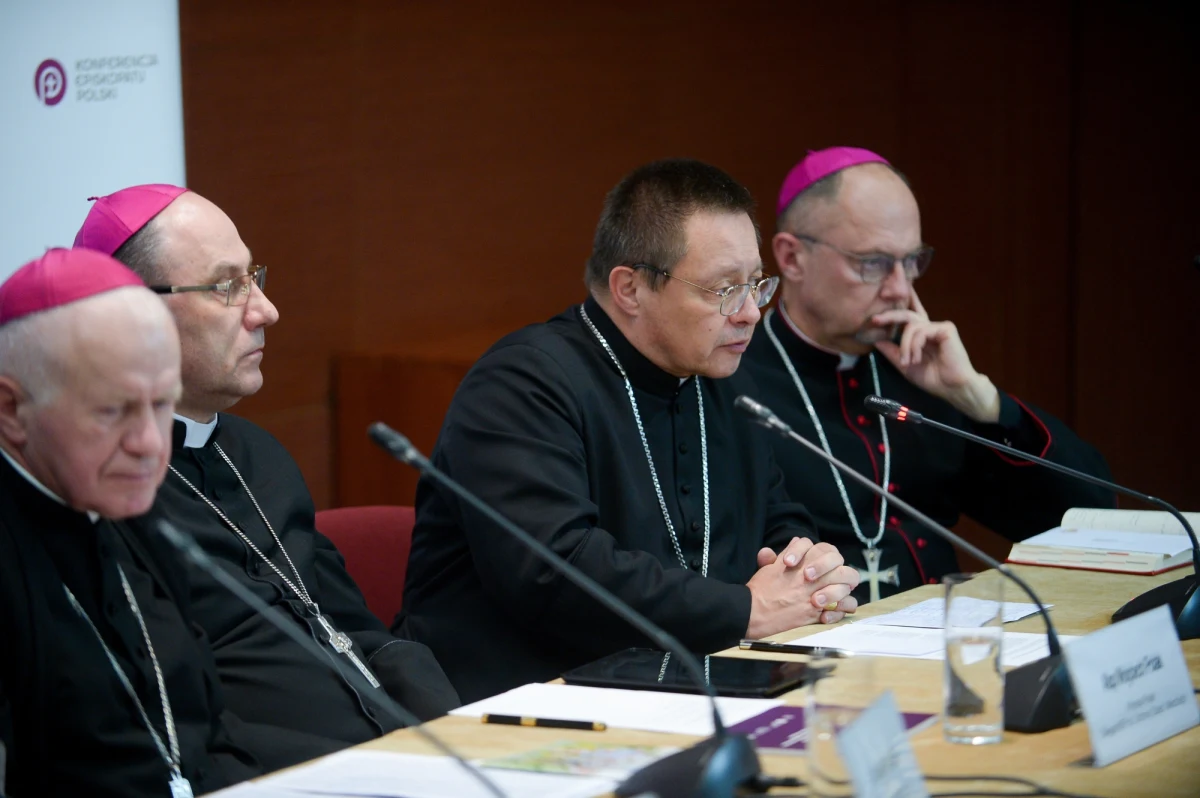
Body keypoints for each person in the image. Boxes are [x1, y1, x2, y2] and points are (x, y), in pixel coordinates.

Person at [398, 159, 860, 702]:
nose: (751, 313)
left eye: (755, 285)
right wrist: (747, 610)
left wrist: (812, 576)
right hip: (527, 705)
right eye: (722, 290)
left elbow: (777, 521)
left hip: (691, 692)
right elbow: (553, 571)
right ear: (631, 289)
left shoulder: (722, 383)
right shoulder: (522, 384)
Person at [75, 185, 459, 770]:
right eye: (227, 286)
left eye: (253, 276)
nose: (264, 310)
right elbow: (174, 724)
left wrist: (457, 734)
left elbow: (357, 629)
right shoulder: (100, 495)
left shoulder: (259, 452)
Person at [741, 146, 1114, 603]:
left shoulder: (921, 376)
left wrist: (979, 398)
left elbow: (1088, 517)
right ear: (793, 258)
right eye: (873, 263)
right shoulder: (737, 380)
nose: (902, 288)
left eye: (912, 261)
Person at [0, 248, 260, 796]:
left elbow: (206, 728)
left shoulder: (135, 510)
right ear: (11, 410)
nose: (148, 445)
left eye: (162, 404)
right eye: (112, 411)